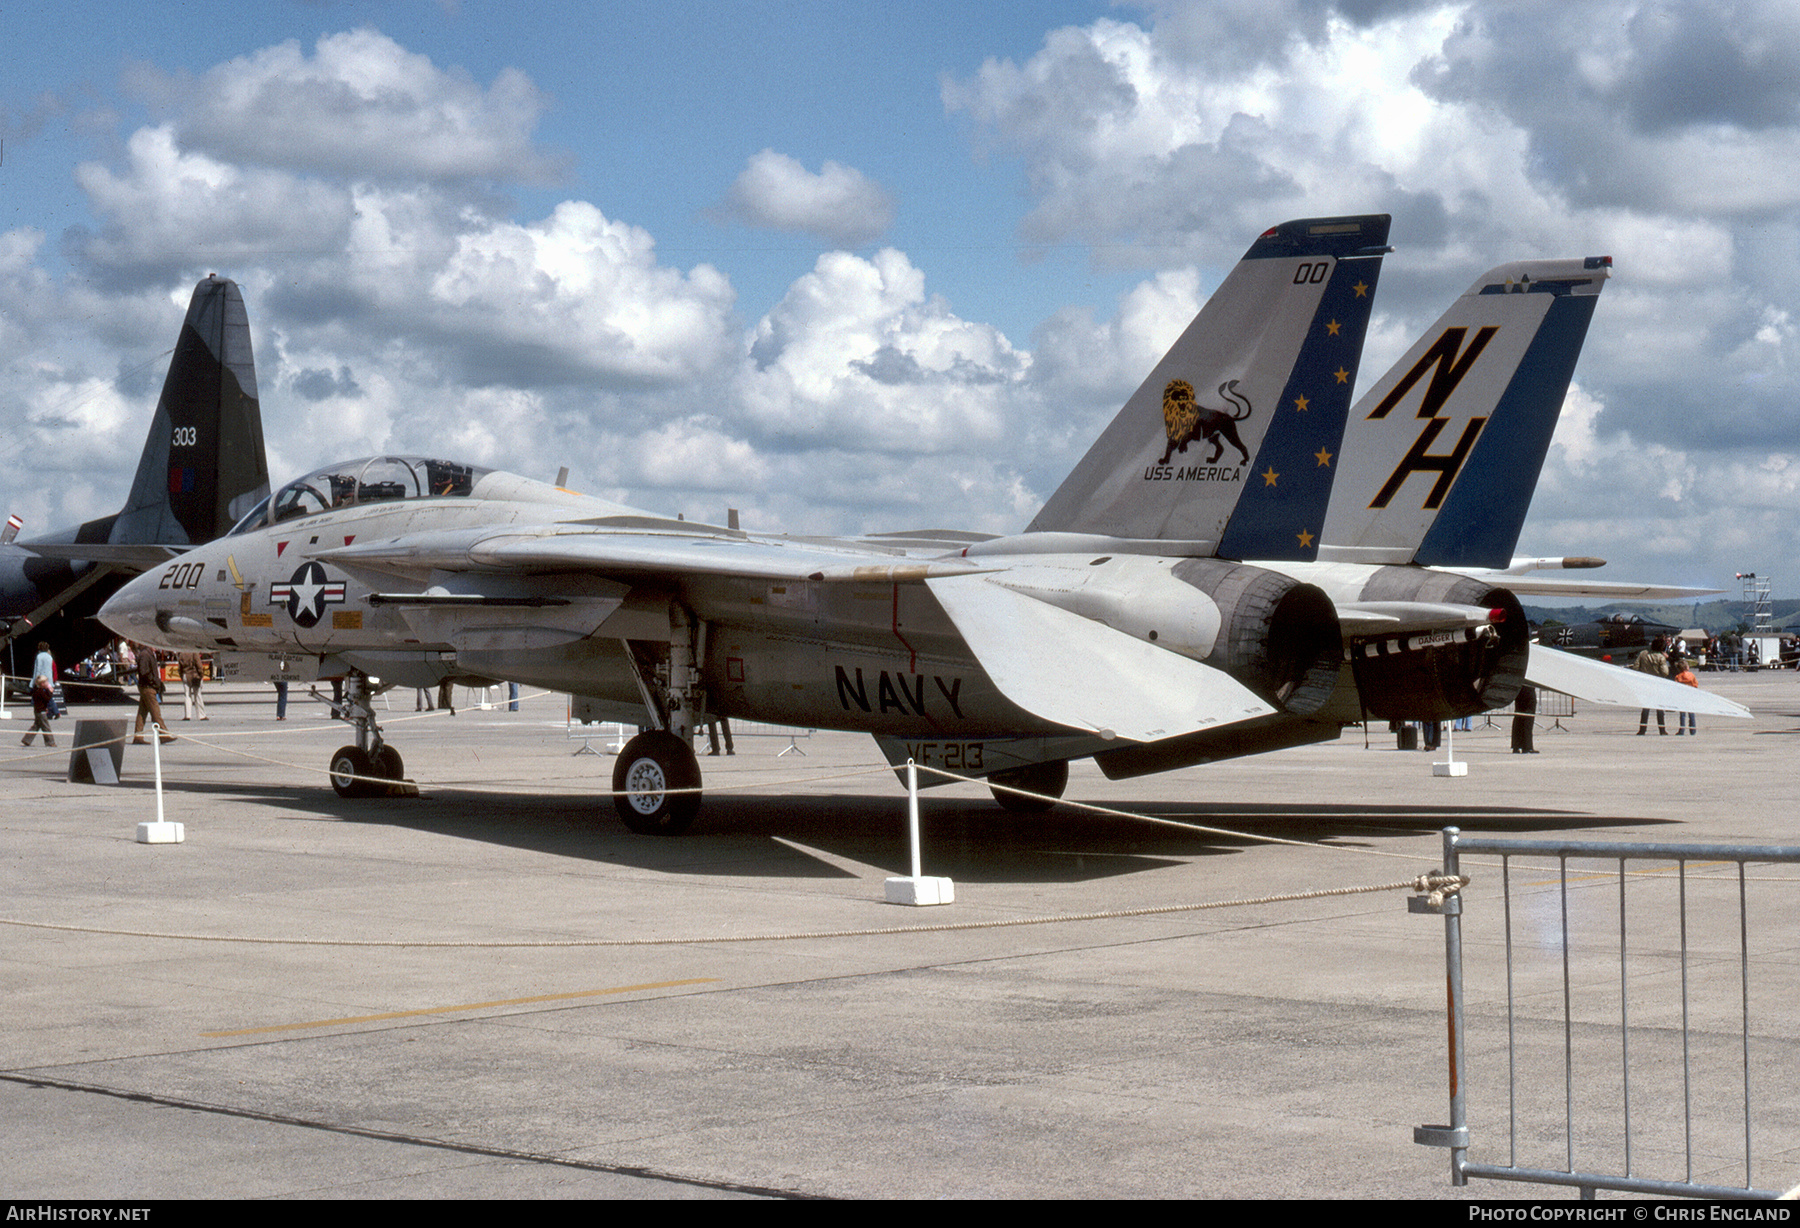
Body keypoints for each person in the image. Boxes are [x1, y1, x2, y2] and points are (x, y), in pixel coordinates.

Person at [132, 644, 174, 744]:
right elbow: (143, 672)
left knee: (142, 713)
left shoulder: (149, 654)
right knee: (155, 712)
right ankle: (164, 735)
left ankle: (138, 736)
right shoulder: (145, 655)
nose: (156, 647)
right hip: (147, 687)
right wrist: (154, 682)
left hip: (148, 686)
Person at [20, 642, 56, 748]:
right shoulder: (49, 657)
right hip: (46, 681)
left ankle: (27, 739)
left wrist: (33, 682)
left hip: (40, 680)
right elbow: (50, 670)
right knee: (44, 725)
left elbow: (38, 670)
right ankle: (50, 742)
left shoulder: (39, 656)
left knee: (38, 724)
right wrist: (50, 684)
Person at [1635, 636, 1670, 735]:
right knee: (1659, 709)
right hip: (1657, 684)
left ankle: (1642, 729)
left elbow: (1636, 667)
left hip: (1645, 683)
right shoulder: (1660, 657)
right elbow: (1665, 672)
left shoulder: (1643, 654)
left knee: (1645, 708)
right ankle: (1662, 730)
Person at [177, 650, 208, 720]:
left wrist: (182, 676)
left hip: (185, 674)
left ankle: (187, 715)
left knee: (187, 695)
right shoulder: (194, 652)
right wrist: (201, 674)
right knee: (197, 695)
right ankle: (201, 715)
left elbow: (179, 667)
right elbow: (198, 664)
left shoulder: (182, 653)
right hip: (195, 675)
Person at [1673, 657, 1700, 735]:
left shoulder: (1678, 676)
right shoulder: (1691, 675)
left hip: (1682, 696)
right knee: (1691, 714)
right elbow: (1696, 684)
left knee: (1682, 714)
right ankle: (1693, 730)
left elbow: (1675, 686)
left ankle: (1682, 730)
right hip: (1690, 696)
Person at [1510, 685, 1538, 754]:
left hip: (1519, 687)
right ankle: (1527, 746)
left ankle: (1516, 746)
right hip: (1528, 687)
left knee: (1519, 716)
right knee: (1528, 717)